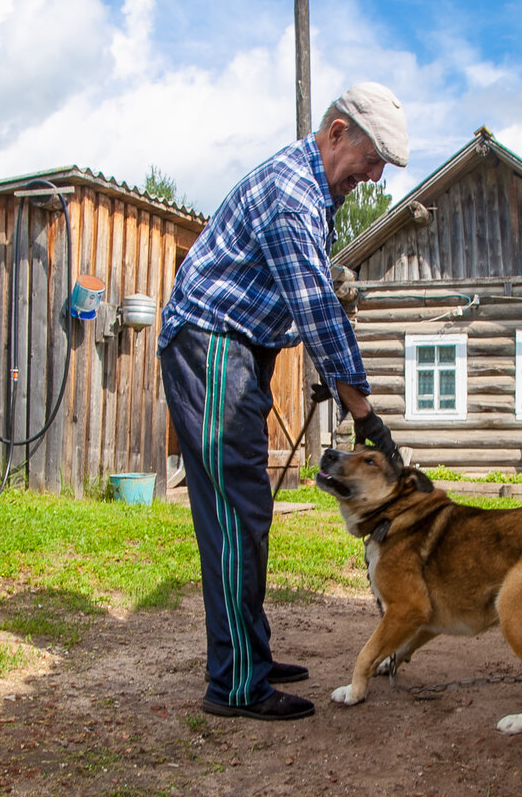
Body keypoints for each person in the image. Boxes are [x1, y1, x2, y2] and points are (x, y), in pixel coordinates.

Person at [157, 82, 408, 721]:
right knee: (238, 514)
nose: (376, 176)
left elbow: (304, 295)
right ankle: (236, 683)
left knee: (247, 512)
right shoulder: (294, 195)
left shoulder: (313, 193)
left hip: (238, 349)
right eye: (374, 157)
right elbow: (316, 310)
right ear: (337, 133)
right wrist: (366, 416)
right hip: (213, 348)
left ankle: (249, 655)